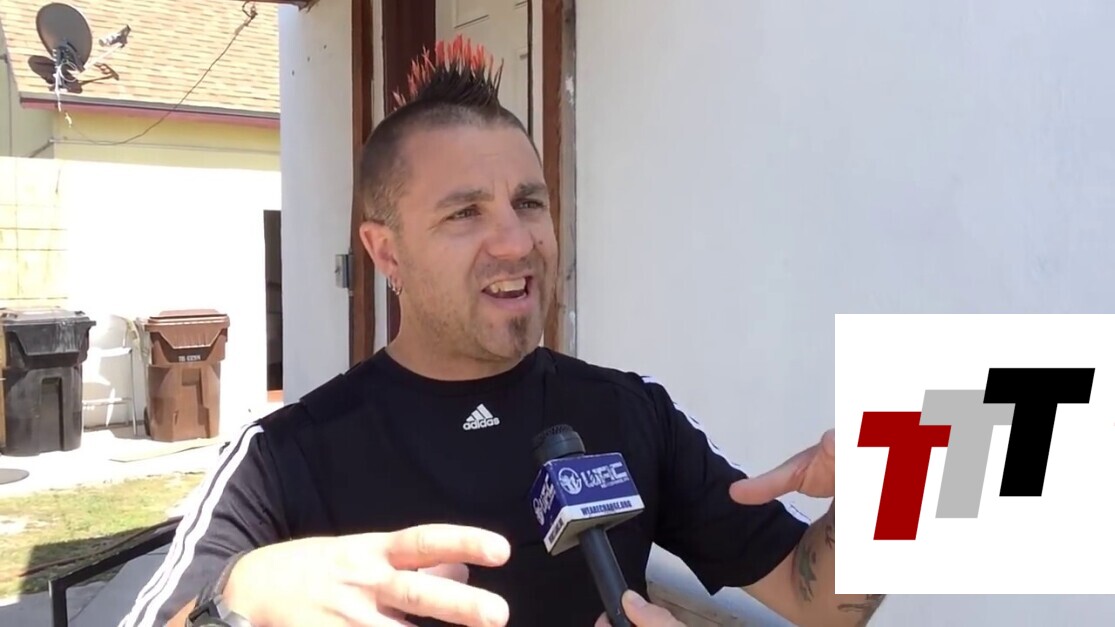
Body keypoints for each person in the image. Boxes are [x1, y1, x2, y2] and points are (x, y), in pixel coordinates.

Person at [119, 35, 883, 627]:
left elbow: (819, 601)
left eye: (529, 202)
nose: (516, 241)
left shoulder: (630, 412)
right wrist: (238, 599)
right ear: (386, 251)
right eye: (464, 212)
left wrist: (898, 482)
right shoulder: (284, 458)